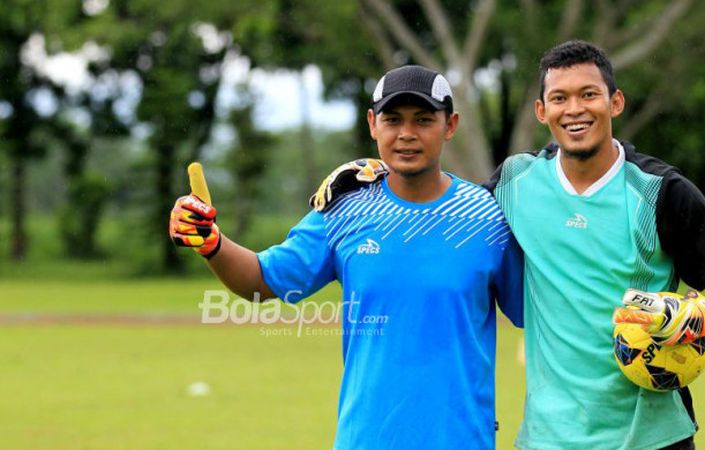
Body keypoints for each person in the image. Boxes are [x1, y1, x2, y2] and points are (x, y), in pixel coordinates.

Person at [168, 65, 524, 450]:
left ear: (450, 125)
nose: (406, 134)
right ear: (372, 124)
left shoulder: (488, 218)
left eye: (423, 120)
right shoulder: (345, 211)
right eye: (392, 120)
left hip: (460, 440)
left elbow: (536, 312)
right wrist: (211, 241)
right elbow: (262, 281)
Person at [485, 40, 705, 449]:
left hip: (651, 438)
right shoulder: (515, 183)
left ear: (615, 103)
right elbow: (447, 219)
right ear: (542, 111)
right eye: (560, 98)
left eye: (589, 94)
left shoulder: (661, 191)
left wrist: (702, 316)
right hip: (547, 438)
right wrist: (387, 181)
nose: (574, 109)